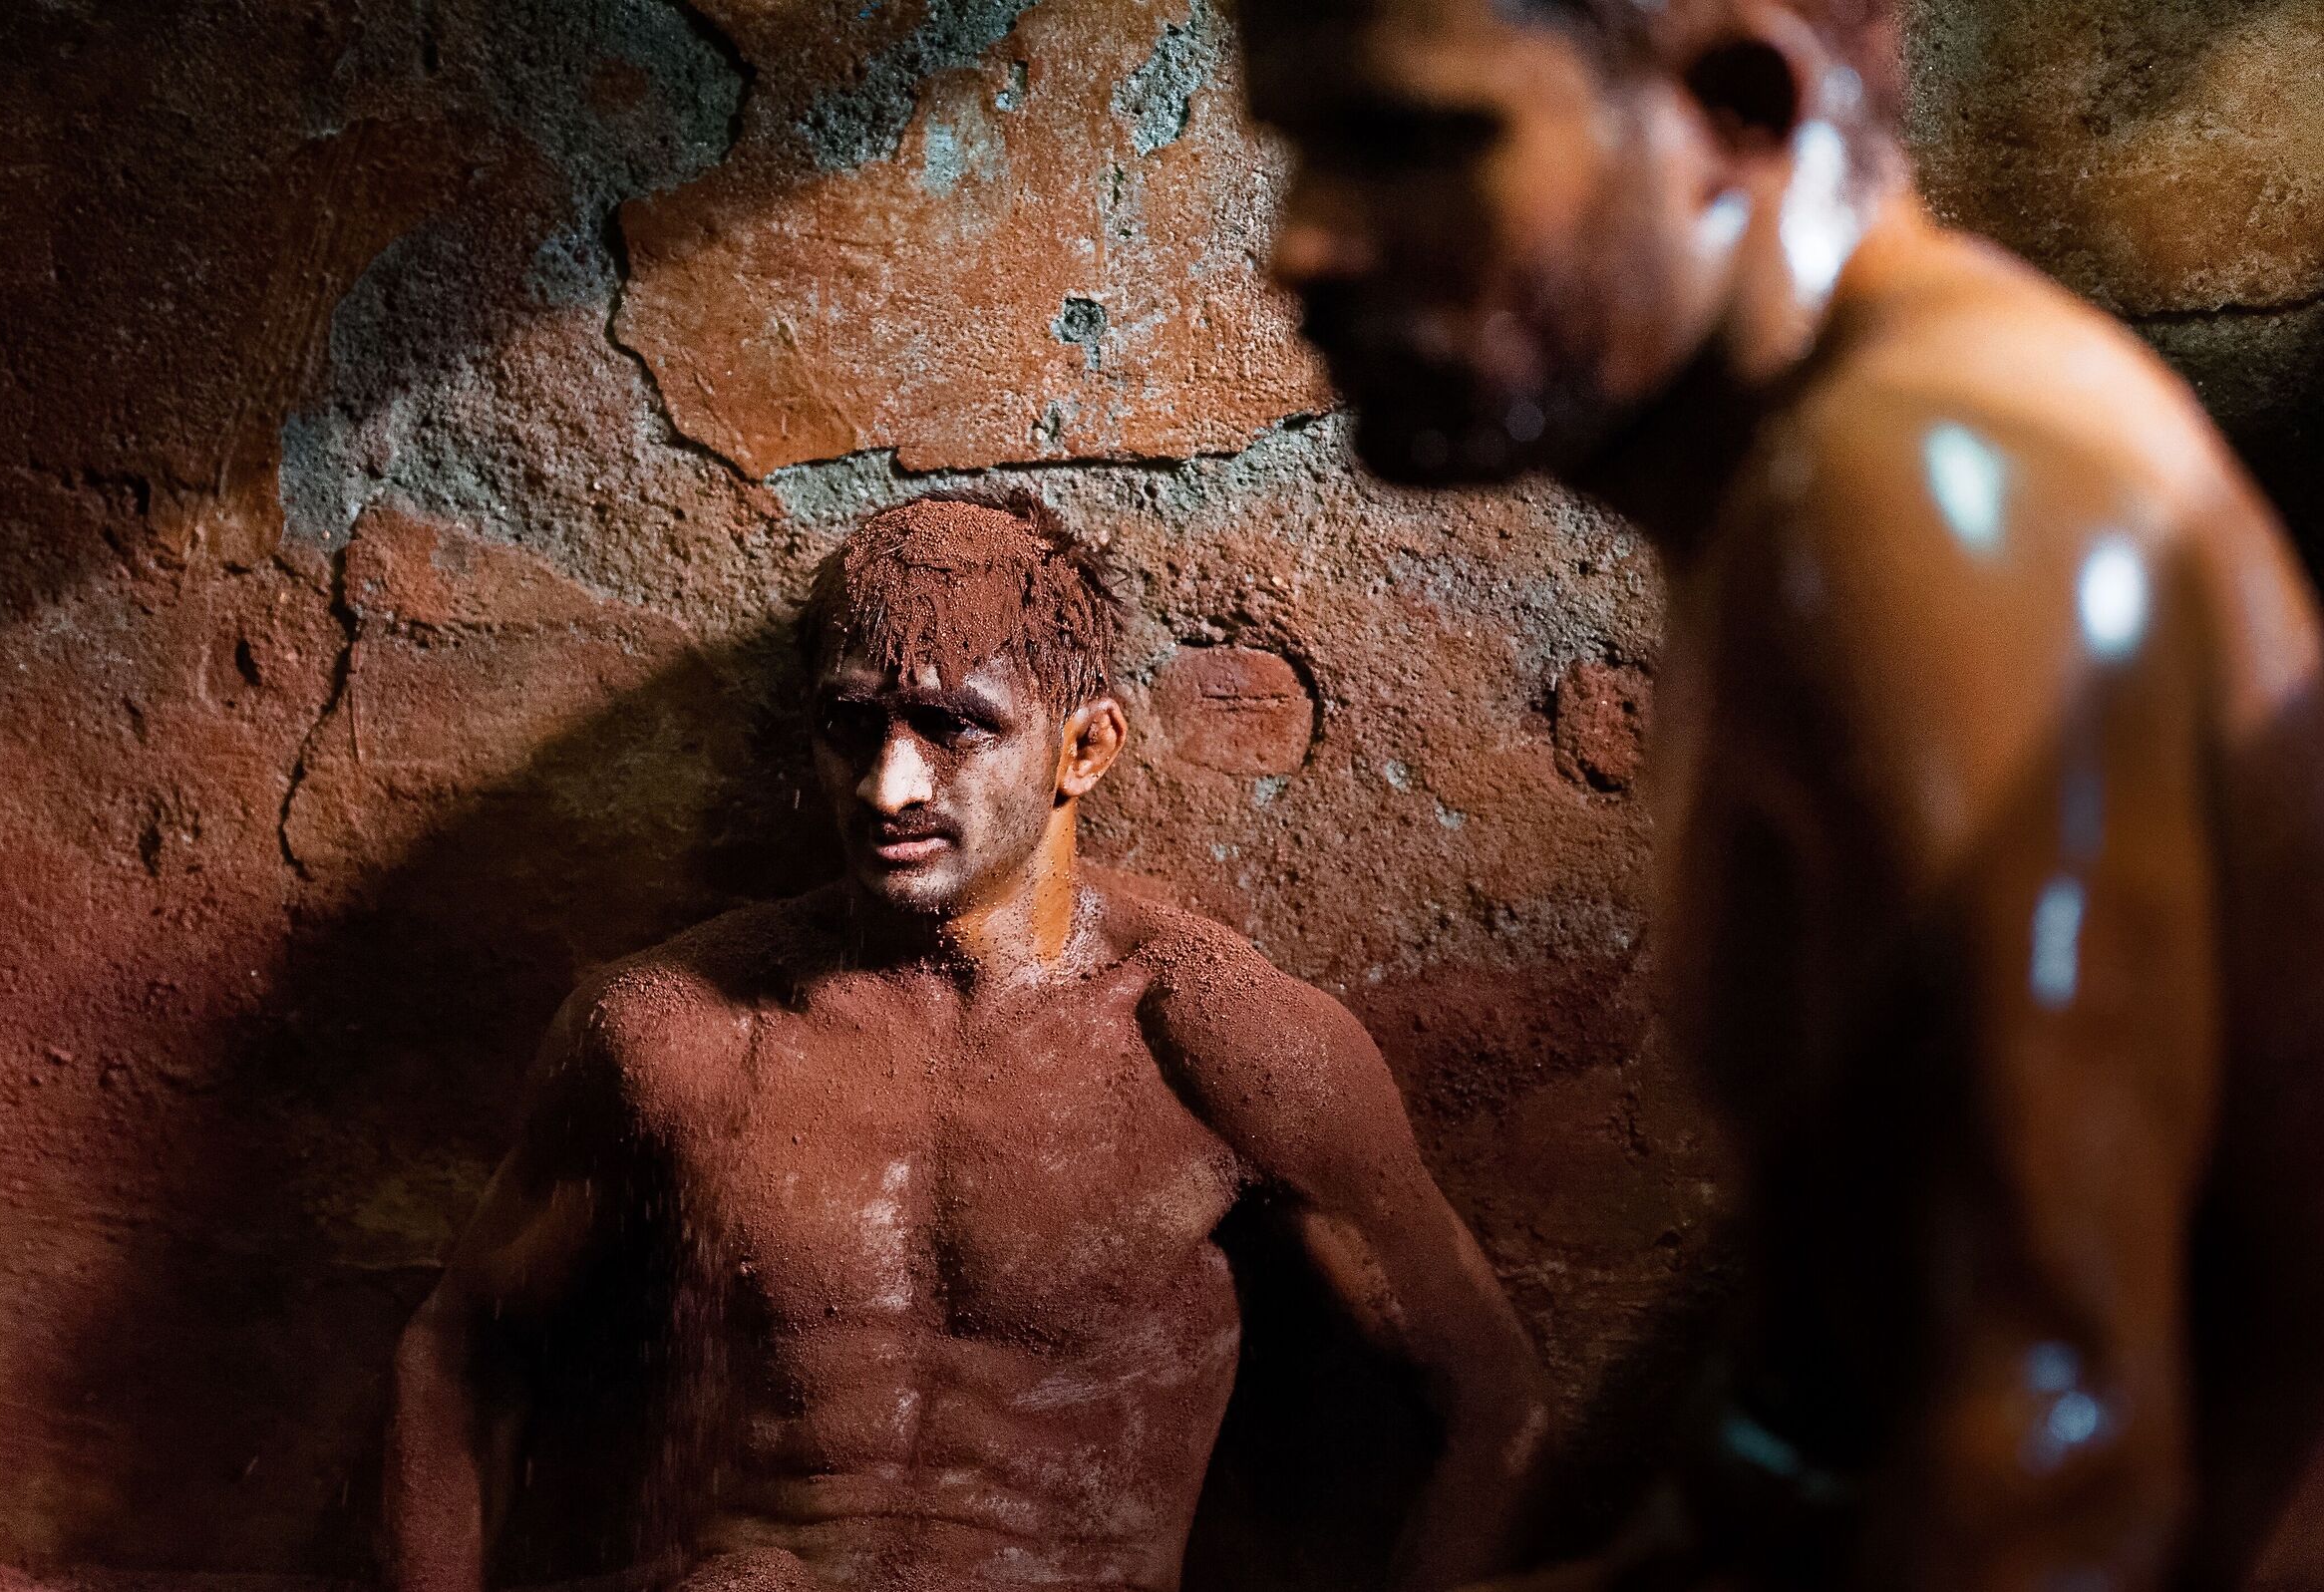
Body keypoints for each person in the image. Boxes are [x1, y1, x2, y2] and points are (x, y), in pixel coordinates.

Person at [1238, 0, 2324, 1586]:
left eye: (1411, 141)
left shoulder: (1916, 490)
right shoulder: (1825, 474)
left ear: (1735, 110)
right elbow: (1850, 1360)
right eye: (1299, 148)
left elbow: (2057, 1445)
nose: (1305, 245)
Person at [385, 494, 1547, 1592]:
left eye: (953, 727)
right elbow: (454, 1359)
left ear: (1084, 750)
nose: (889, 785)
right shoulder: (670, 1030)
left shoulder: (1220, 1044)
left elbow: (1493, 1401)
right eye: (851, 726)